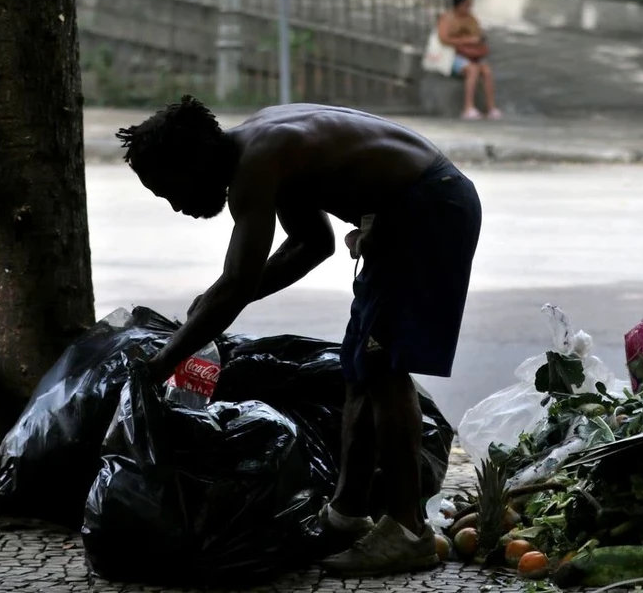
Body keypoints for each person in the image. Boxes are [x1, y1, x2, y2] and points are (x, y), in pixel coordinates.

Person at [116, 97, 482, 576]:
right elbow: (313, 244)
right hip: (408, 212)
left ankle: (408, 530)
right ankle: (346, 515)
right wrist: (215, 304)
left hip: (429, 209)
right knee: (360, 369)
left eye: (169, 189)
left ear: (194, 162)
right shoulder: (265, 147)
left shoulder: (257, 162)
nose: (176, 205)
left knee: (385, 370)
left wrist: (163, 362)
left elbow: (239, 280)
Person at [436, 0, 502, 120]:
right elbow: (443, 39)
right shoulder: (447, 18)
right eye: (466, 5)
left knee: (486, 71)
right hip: (452, 56)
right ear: (458, 5)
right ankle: (468, 107)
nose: (468, 9)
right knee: (473, 70)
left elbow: (478, 35)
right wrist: (466, 40)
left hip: (469, 55)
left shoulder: (471, 19)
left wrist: (477, 41)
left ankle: (491, 107)